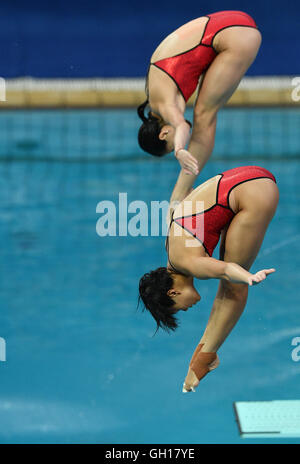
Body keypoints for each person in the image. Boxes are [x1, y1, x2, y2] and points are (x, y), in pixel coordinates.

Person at [138, 166, 279, 392]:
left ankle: (205, 358)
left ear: (172, 293)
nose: (187, 308)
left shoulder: (189, 263)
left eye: (180, 309)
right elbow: (185, 201)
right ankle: (204, 353)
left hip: (257, 193)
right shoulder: (171, 250)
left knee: (234, 288)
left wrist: (249, 277)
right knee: (228, 283)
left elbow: (226, 270)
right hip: (246, 177)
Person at [137, 10, 261, 207]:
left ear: (163, 134)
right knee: (203, 109)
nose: (182, 145)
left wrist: (179, 150)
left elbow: (183, 127)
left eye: (169, 144)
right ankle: (182, 190)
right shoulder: (154, 95)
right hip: (233, 22)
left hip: (236, 36)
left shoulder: (164, 105)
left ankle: (178, 195)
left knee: (204, 115)